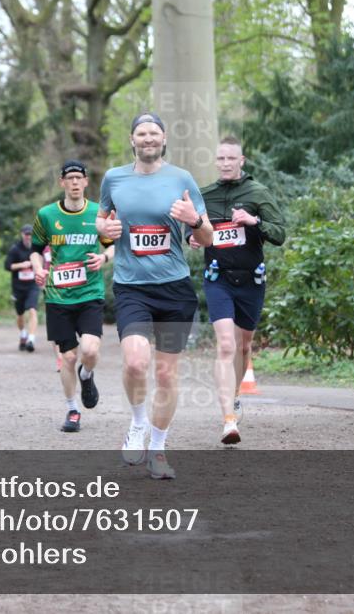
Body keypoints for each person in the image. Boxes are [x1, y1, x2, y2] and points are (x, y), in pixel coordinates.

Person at [96, 112, 213, 479]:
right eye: (142, 133)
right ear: (132, 140)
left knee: (165, 373)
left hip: (175, 289)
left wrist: (194, 220)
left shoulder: (182, 179)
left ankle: (159, 450)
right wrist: (105, 231)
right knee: (134, 362)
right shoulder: (114, 178)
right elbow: (101, 224)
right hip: (132, 287)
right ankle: (137, 423)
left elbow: (207, 237)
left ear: (163, 140)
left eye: (154, 133)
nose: (148, 138)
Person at [191, 135, 286, 445]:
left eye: (231, 158)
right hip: (218, 279)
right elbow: (196, 229)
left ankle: (233, 396)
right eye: (221, 159)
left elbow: (279, 233)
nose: (226, 163)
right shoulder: (205, 195)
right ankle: (228, 420)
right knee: (226, 345)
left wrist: (254, 221)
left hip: (250, 281)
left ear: (241, 161)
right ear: (216, 161)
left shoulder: (258, 192)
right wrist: (193, 237)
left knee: (244, 347)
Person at [30, 160, 115, 433]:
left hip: (89, 293)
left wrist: (103, 258)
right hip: (58, 296)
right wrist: (38, 269)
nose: (75, 183)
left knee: (89, 351)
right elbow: (35, 249)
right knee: (67, 357)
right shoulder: (46, 215)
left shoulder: (98, 214)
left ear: (87, 182)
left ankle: (87, 375)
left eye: (80, 178)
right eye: (71, 178)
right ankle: (72, 409)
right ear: (62, 183)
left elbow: (113, 248)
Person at [4, 224, 39, 352]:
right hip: (18, 287)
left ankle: (31, 339)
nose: (28, 237)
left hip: (32, 285)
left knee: (33, 310)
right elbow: (7, 266)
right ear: (22, 234)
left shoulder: (36, 248)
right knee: (20, 314)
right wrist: (21, 265)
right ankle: (23, 333)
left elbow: (44, 262)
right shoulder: (15, 249)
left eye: (30, 234)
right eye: (26, 234)